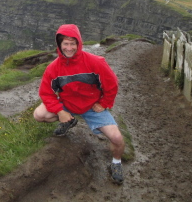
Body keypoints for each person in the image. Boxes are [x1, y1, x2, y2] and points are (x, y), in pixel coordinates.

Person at [33, 24, 125, 184]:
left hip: (92, 107)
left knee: (117, 138)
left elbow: (112, 84)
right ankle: (69, 121)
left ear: (79, 44)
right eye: (65, 44)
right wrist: (60, 111)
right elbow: (45, 93)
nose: (69, 48)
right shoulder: (53, 68)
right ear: (59, 45)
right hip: (68, 104)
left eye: (72, 43)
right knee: (39, 115)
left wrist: (104, 103)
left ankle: (116, 163)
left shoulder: (95, 62)